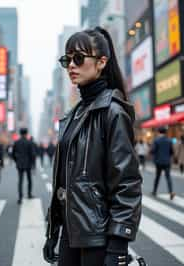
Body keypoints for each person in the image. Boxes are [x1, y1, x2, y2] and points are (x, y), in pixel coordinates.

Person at [43, 27, 142, 266]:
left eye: (78, 58)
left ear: (101, 62)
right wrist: (53, 232)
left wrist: (119, 243)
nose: (71, 66)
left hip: (99, 237)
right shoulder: (72, 115)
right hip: (72, 232)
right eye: (67, 59)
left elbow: (127, 183)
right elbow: (65, 181)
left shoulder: (113, 112)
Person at [151, 127, 175, 200]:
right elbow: (172, 152)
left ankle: (154, 191)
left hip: (158, 161)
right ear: (165, 132)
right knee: (168, 177)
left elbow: (153, 150)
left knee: (157, 177)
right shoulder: (169, 140)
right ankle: (171, 192)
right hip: (167, 162)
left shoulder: (156, 140)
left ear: (159, 132)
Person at [12, 128, 35, 204]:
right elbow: (32, 154)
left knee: (20, 181)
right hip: (28, 164)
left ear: (20, 133)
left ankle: (20, 197)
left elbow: (13, 154)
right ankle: (29, 194)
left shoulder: (16, 142)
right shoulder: (29, 142)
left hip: (19, 164)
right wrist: (32, 164)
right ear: (26, 133)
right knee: (29, 180)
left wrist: (16, 161)